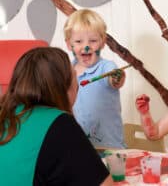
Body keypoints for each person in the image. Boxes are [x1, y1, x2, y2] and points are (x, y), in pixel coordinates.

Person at [0, 47, 113, 186]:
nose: (77, 77)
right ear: (62, 85)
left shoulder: (5, 114)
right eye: (73, 74)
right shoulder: (59, 124)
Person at [64, 9, 126, 149]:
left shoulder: (106, 67)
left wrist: (117, 77)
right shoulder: (67, 72)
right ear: (69, 44)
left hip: (109, 147)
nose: (86, 46)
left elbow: (115, 79)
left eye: (93, 41)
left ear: (103, 43)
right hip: (79, 147)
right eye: (78, 41)